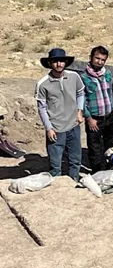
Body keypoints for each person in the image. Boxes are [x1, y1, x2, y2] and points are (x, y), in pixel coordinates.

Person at [35, 48, 86, 182]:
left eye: (61, 61)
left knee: (75, 160)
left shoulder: (74, 77)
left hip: (73, 126)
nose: (59, 64)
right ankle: (56, 189)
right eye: (55, 61)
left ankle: (73, 183)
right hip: (56, 129)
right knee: (55, 165)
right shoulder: (42, 84)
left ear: (66, 62)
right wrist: (48, 128)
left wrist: (79, 111)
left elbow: (80, 93)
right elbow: (42, 108)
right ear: (50, 63)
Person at [81, 45, 113, 173]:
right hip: (94, 118)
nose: (100, 62)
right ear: (91, 57)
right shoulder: (83, 77)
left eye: (103, 60)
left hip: (110, 115)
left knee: (112, 145)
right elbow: (81, 99)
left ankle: (111, 170)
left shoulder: (107, 74)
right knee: (95, 147)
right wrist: (89, 118)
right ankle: (98, 172)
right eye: (97, 58)